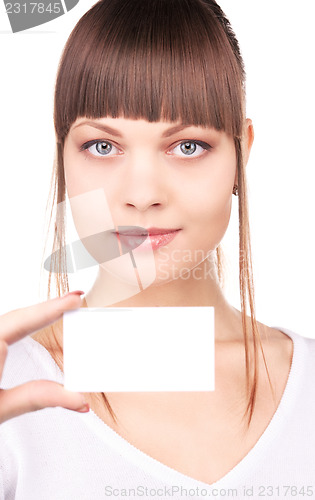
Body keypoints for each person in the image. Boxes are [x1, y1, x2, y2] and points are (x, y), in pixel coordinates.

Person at [0, 0, 314, 498]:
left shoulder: (308, 384)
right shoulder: (10, 390)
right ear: (62, 156)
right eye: (103, 146)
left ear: (243, 151)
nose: (142, 194)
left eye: (187, 146)